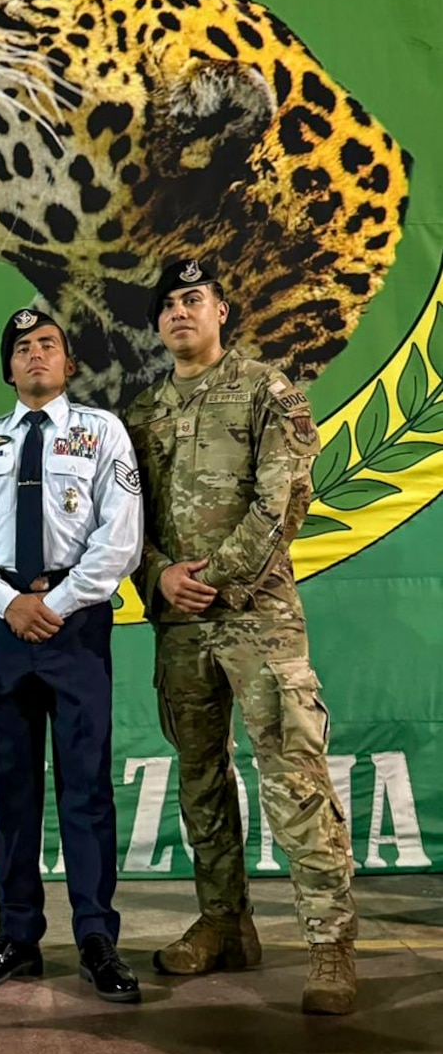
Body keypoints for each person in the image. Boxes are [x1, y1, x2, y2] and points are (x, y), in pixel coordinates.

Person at [124, 258, 358, 1015]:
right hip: (180, 625)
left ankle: (329, 945)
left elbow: (282, 500)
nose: (180, 313)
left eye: (194, 300)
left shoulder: (266, 389)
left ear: (222, 310)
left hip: (256, 619)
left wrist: (214, 576)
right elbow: (130, 523)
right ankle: (225, 923)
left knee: (294, 776)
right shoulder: (143, 413)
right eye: (168, 305)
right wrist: (161, 576)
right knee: (200, 780)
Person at [0, 308, 144, 1003]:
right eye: (22, 348)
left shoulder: (102, 434)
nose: (35, 356)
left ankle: (96, 937)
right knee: (12, 790)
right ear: (8, 367)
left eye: (47, 346)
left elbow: (120, 540)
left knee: (85, 789)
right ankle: (18, 936)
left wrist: (53, 604)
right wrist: (8, 604)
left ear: (69, 364)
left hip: (75, 624)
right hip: (1, 629)